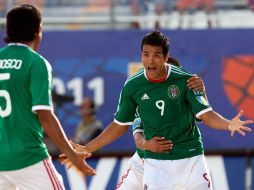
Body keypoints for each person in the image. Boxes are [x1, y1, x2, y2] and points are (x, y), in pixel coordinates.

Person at [62, 31, 252, 190]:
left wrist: (229, 124)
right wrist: (87, 148)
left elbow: (206, 115)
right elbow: (121, 126)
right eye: (146, 54)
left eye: (156, 55)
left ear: (166, 57)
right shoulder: (133, 86)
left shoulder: (186, 81)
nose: (150, 61)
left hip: (191, 157)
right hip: (153, 162)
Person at [0, 4, 95, 190]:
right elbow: (45, 116)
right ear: (38, 30)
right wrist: (72, 153)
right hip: (28, 157)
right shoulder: (36, 63)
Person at [116, 58, 206, 190]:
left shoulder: (183, 90)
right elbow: (138, 135)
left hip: (179, 161)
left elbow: (201, 116)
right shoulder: (144, 95)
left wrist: (202, 92)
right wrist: (146, 145)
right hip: (142, 163)